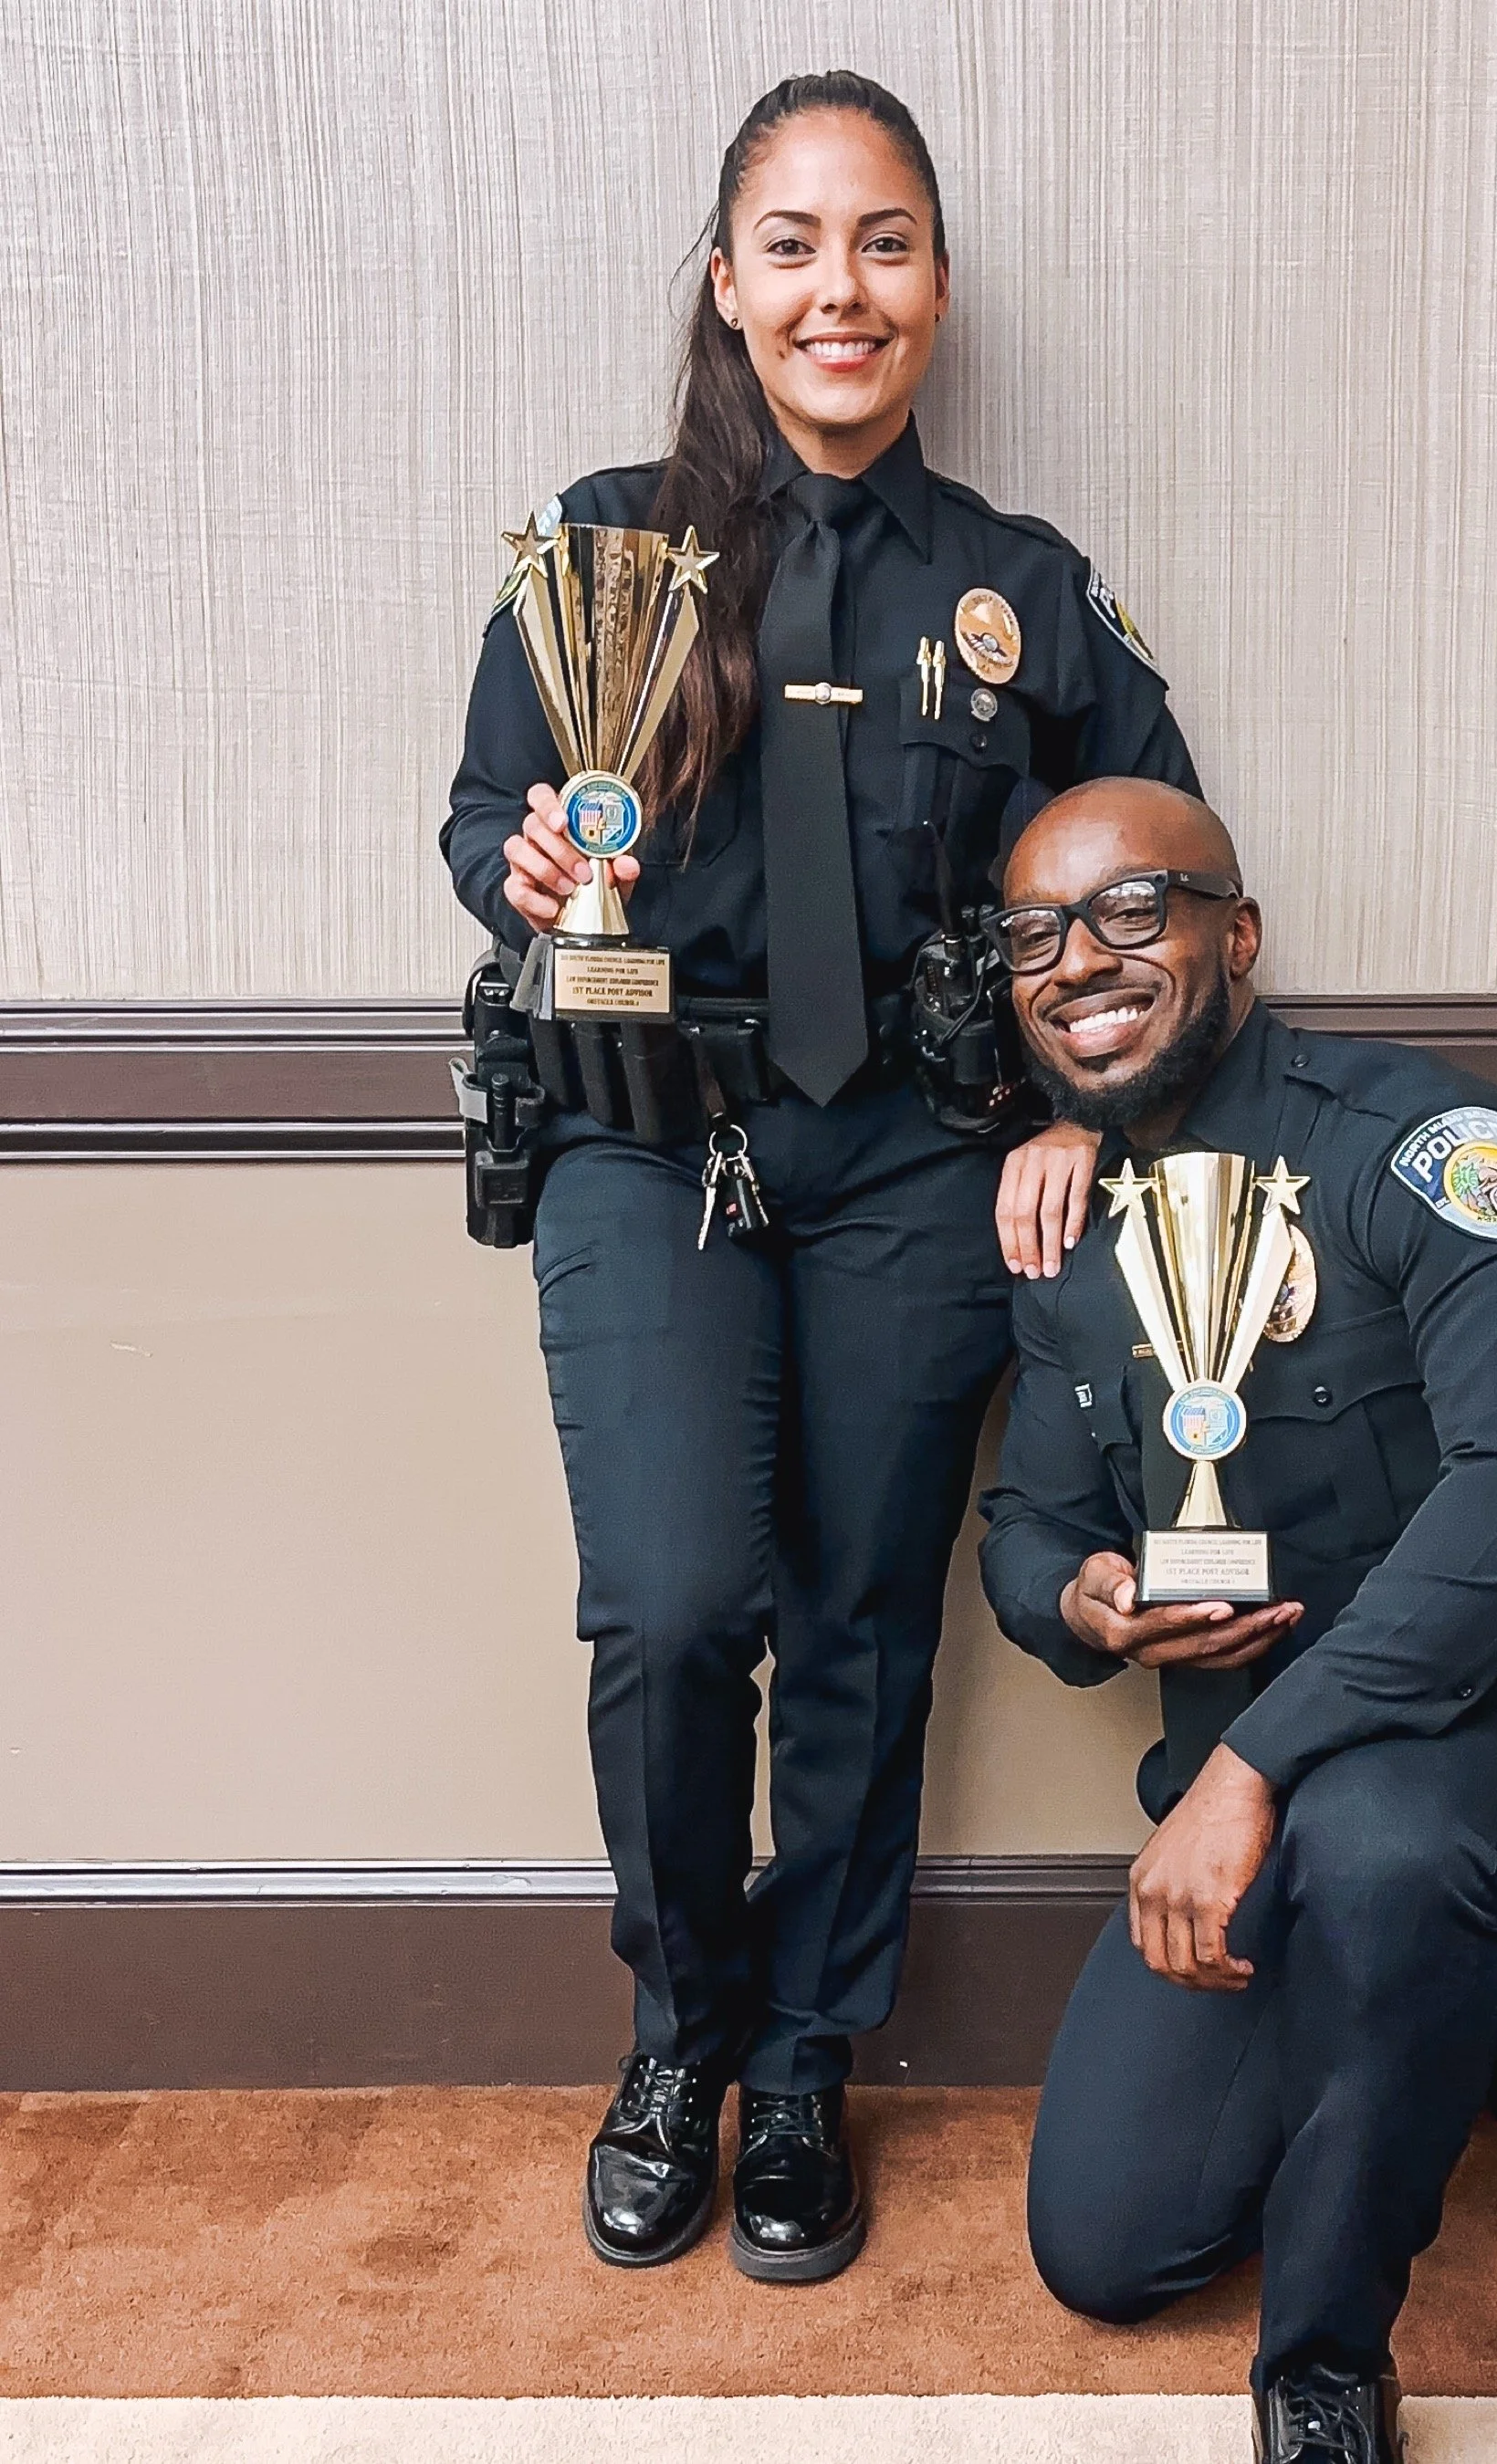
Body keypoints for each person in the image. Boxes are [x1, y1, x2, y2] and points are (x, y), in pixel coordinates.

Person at [440, 75, 1201, 2282]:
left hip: (915, 1175)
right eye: (791, 244)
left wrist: (1083, 1104)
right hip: (648, 1147)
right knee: (680, 1612)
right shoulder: (598, 558)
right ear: (726, 284)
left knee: (865, 1624)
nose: (837, 289)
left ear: (936, 289)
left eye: (882, 243)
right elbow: (492, 822)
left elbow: (1156, 870)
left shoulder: (1018, 592)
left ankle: (805, 2065)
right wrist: (520, 866)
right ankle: (682, 2032)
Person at [977, 781, 1497, 2461]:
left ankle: (1324, 2369)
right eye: (1034, 936)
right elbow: (1030, 1527)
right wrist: (1079, 1600)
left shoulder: (1425, 1146)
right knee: (1108, 2249)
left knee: (1381, 1843)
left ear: (1242, 934)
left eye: (1133, 911)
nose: (1081, 961)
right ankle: (1451, 1980)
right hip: (1252, 1805)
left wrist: (1255, 1767)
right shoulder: (1071, 1235)